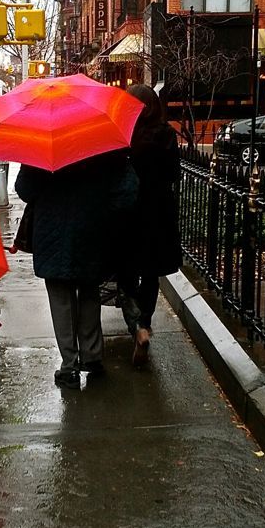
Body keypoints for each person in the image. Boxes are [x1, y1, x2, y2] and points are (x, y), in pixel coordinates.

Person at [15, 150, 138, 389]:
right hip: (91, 230)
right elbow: (127, 192)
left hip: (52, 235)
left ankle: (69, 367)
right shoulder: (103, 145)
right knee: (90, 292)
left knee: (61, 301)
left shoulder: (42, 145)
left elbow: (25, 190)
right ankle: (91, 357)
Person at [116, 84, 181, 367]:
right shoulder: (167, 135)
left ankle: (137, 328)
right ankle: (146, 320)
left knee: (125, 273)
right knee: (151, 274)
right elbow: (175, 174)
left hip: (130, 213)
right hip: (159, 213)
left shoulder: (125, 138)